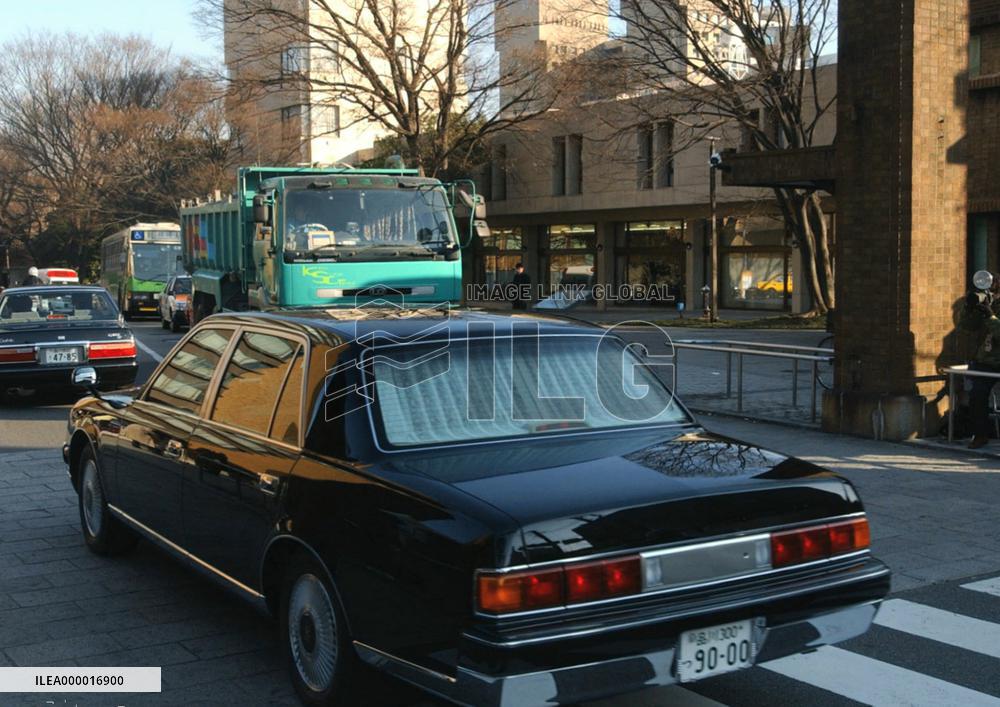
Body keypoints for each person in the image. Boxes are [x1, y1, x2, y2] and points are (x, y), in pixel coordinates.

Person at [960, 273, 1000, 448]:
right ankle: (980, 434)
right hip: (988, 361)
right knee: (977, 395)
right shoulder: (993, 303)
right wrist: (969, 308)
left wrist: (991, 317)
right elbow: (969, 327)